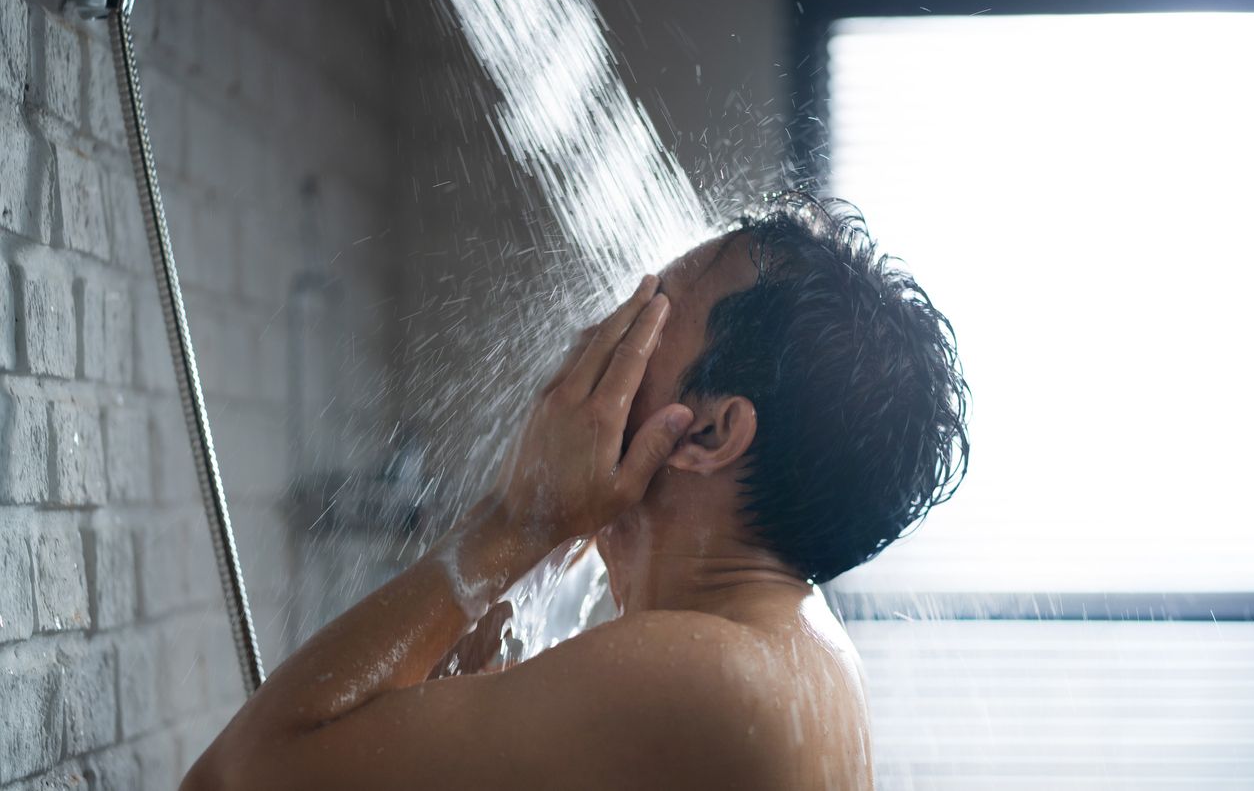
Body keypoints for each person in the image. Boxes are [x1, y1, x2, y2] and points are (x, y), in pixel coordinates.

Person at [182, 190, 969, 790]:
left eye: (651, 314)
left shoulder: (711, 675)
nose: (601, 334)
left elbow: (233, 778)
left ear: (707, 434)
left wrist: (512, 521)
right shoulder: (802, 651)